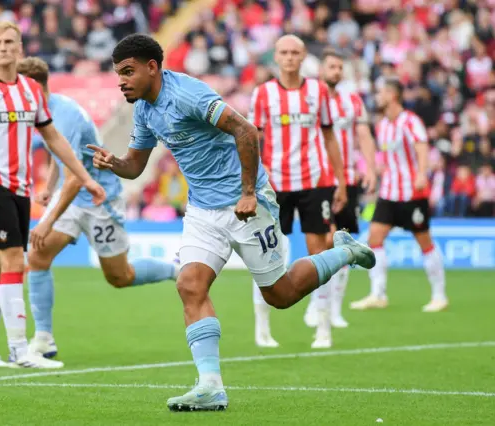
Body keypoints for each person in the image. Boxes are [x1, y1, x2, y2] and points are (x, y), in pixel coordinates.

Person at [90, 33, 375, 412]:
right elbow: (136, 165)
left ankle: (344, 252)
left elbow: (245, 130)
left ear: (152, 67)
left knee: (281, 295)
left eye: (128, 72)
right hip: (203, 211)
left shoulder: (189, 94)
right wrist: (114, 164)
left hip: (247, 204)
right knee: (190, 285)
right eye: (117, 74)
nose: (121, 80)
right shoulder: (143, 109)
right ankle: (210, 386)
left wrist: (248, 193)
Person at [0, 21, 106, 369]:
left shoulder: (29, 90)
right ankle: (19, 351)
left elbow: (54, 138)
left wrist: (86, 178)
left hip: (21, 189)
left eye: (10, 41)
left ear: (20, 46)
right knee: (14, 262)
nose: (4, 47)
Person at [16, 57, 179, 359]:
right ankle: (43, 338)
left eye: (20, 87)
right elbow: (61, 152)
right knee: (38, 256)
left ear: (37, 86)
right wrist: (49, 187)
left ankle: (175, 270)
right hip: (73, 197)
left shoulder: (66, 117)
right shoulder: (47, 110)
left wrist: (46, 221)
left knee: (120, 277)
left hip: (99, 200)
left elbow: (77, 179)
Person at [248, 36, 348, 350]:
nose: (290, 58)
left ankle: (322, 326)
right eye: (284, 53)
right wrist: (249, 185)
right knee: (266, 254)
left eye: (295, 52)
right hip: (274, 186)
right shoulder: (263, 95)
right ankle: (262, 325)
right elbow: (252, 142)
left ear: (304, 56)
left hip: (315, 181)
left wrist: (341, 181)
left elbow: (330, 137)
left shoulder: (318, 91)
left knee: (319, 252)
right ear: (275, 57)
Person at [350, 79, 448, 313]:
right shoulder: (383, 124)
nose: (378, 96)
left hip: (412, 192)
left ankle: (439, 295)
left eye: (382, 92)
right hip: (389, 192)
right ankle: (378, 294)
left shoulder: (410, 121)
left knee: (424, 241)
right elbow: (390, 156)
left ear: (393, 95)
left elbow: (421, 147)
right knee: (374, 238)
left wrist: (422, 174)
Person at [303, 48, 377, 330]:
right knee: (321, 242)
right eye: (331, 66)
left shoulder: (352, 102)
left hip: (346, 178)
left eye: (339, 67)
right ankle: (316, 303)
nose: (336, 71)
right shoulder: (309, 100)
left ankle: (334, 309)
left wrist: (370, 167)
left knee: (343, 243)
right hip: (317, 178)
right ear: (321, 69)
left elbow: (364, 135)